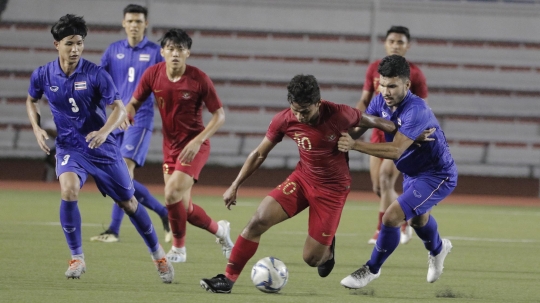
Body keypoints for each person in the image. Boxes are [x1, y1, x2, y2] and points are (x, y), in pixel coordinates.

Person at [200, 74, 402, 294]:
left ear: (318, 102)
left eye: (305, 111)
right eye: (295, 110)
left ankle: (327, 249)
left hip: (333, 190)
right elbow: (259, 153)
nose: (299, 116)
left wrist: (408, 133)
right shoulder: (284, 119)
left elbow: (374, 121)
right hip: (302, 179)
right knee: (258, 221)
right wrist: (235, 184)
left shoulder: (339, 113)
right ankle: (227, 279)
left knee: (313, 259)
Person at [25, 14, 173, 282]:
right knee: (68, 190)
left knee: (129, 203)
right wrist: (36, 127)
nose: (75, 49)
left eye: (79, 43)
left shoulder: (95, 74)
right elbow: (31, 99)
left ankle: (158, 255)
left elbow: (118, 109)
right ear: (56, 44)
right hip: (70, 146)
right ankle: (77, 258)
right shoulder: (44, 74)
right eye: (69, 43)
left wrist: (105, 132)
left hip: (102, 148)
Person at [338, 55, 456, 289]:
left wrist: (354, 145)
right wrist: (333, 142)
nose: (386, 91)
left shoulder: (416, 110)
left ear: (407, 85)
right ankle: (439, 249)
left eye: (392, 85)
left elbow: (394, 150)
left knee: (392, 217)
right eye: (382, 84)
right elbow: (358, 128)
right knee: (418, 221)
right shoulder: (379, 101)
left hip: (437, 174)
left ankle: (370, 270)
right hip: (412, 173)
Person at [125, 28, 234, 264]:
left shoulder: (199, 79)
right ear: (162, 51)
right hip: (171, 148)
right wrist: (127, 116)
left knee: (171, 192)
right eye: (171, 48)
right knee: (184, 207)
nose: (175, 53)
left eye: (180, 49)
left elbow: (219, 115)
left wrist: (198, 140)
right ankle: (221, 232)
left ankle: (178, 249)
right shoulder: (152, 75)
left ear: (188, 53)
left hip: (195, 146)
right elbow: (133, 103)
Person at [89, 4, 170, 244]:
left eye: (138, 21)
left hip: (140, 120)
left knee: (123, 171)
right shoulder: (113, 51)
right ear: (124, 23)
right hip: (115, 121)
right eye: (130, 21)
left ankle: (113, 230)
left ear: (146, 24)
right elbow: (99, 83)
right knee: (114, 175)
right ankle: (163, 212)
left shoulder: (156, 53)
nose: (134, 25)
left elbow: (165, 86)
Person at [357, 26, 428, 245]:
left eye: (400, 42)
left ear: (408, 46)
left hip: (400, 134)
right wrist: (354, 117)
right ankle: (406, 217)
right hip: (377, 132)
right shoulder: (373, 69)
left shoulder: (415, 74)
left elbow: (422, 106)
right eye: (392, 41)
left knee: (386, 178)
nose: (395, 45)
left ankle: (384, 229)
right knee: (379, 187)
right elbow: (365, 99)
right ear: (385, 43)